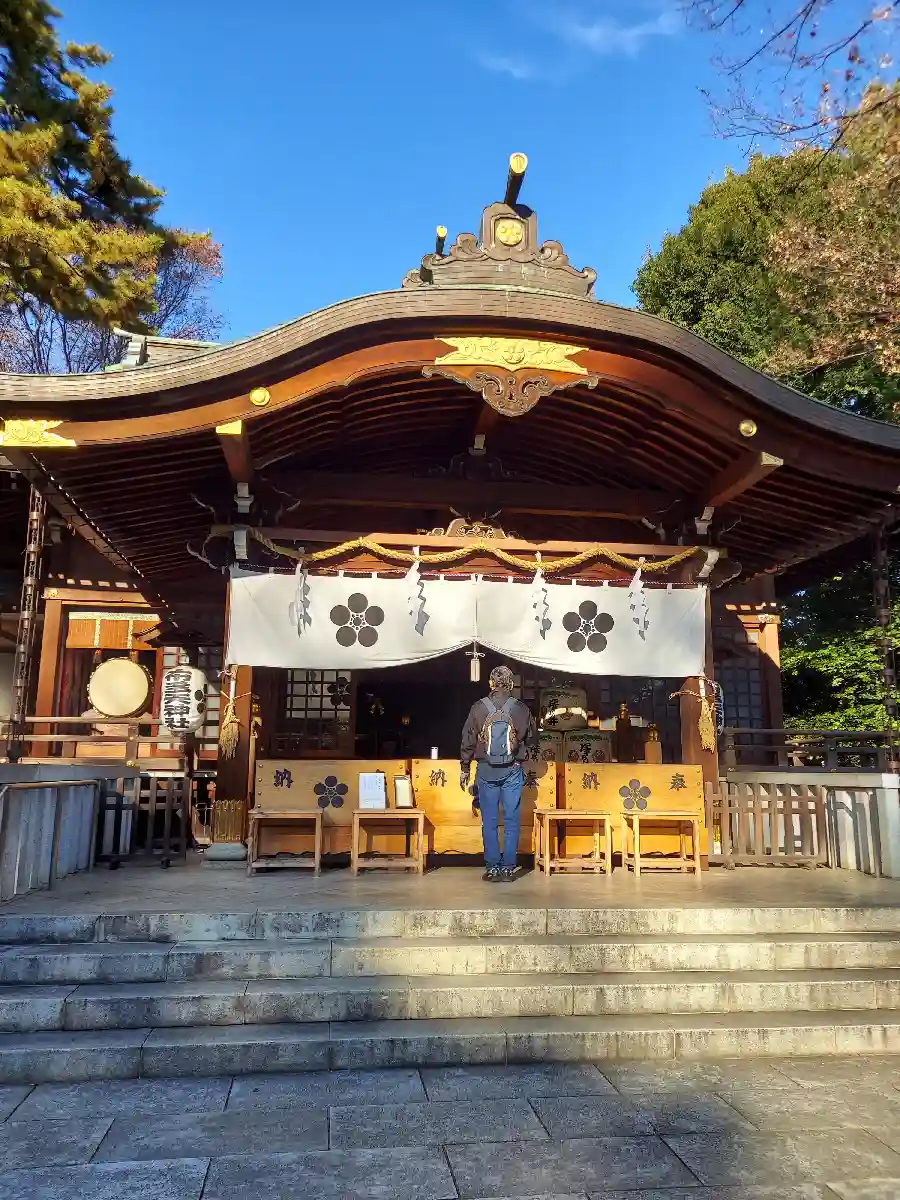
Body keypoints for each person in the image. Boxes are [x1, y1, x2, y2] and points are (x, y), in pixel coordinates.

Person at [459, 665, 537, 882]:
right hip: (513, 770)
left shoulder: (478, 708)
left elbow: (467, 739)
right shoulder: (521, 709)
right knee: (511, 820)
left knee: (490, 821)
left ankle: (493, 868)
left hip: (486, 770)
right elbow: (533, 739)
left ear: (491, 683)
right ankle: (508, 869)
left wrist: (465, 768)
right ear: (511, 684)